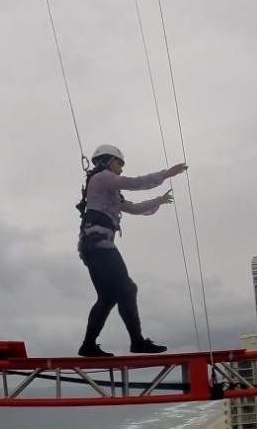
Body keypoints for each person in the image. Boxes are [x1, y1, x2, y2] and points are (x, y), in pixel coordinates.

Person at [75, 144, 188, 357]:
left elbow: (134, 208)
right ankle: (137, 342)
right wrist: (166, 173)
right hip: (100, 247)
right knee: (127, 289)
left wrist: (159, 201)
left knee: (108, 297)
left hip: (94, 247)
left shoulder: (109, 191)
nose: (121, 168)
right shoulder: (103, 178)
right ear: (107, 161)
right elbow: (135, 183)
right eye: (119, 163)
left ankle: (88, 345)